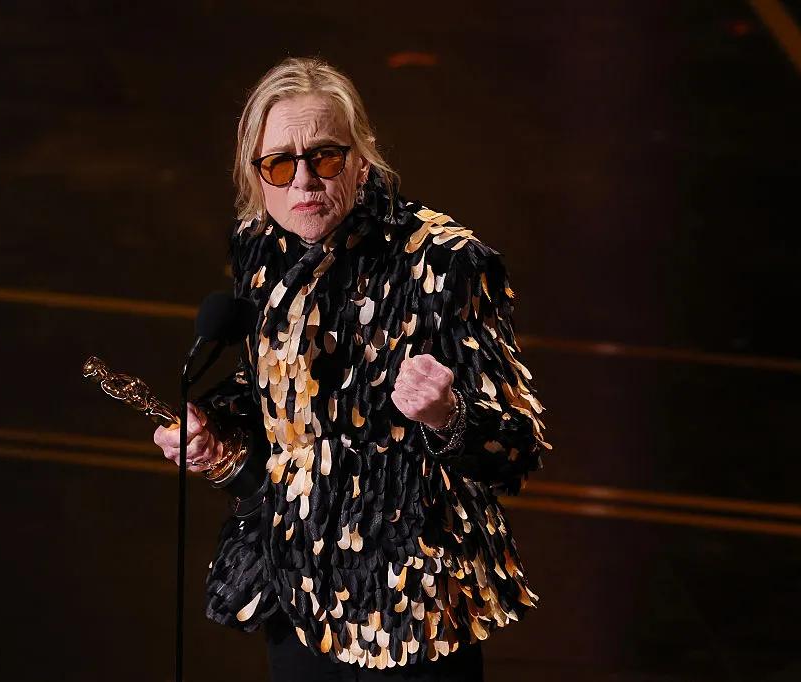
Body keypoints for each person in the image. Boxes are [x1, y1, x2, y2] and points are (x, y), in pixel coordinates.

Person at [153, 56, 551, 681]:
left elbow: (517, 448)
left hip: (412, 612)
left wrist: (448, 415)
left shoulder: (447, 264)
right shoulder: (262, 245)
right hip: (299, 595)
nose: (303, 182)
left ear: (362, 159)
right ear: (255, 176)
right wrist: (214, 435)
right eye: (278, 164)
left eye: (326, 158)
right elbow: (275, 395)